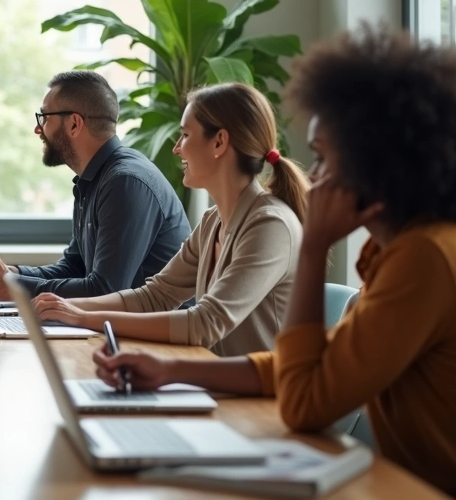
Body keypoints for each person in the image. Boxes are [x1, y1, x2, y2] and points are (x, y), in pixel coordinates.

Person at [92, 24, 456, 500]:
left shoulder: (427, 258)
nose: (312, 175)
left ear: (376, 160)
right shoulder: (407, 250)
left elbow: (304, 401)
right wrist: (171, 370)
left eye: (322, 157)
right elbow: (294, 367)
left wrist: (312, 249)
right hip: (383, 491)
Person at [33, 83, 308, 356]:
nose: (177, 148)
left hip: (263, 398)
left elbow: (205, 323)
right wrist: (62, 306)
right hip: (218, 383)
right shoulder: (213, 221)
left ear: (219, 142)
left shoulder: (270, 225)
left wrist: (83, 317)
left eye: (186, 135)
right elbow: (155, 296)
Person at [0, 71, 190, 301]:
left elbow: (105, 291)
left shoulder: (126, 183)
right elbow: (75, 267)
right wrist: (12, 274)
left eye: (44, 118)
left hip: (155, 336)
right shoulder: (93, 180)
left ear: (74, 124)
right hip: (118, 329)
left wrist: (13, 287)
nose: (38, 129)